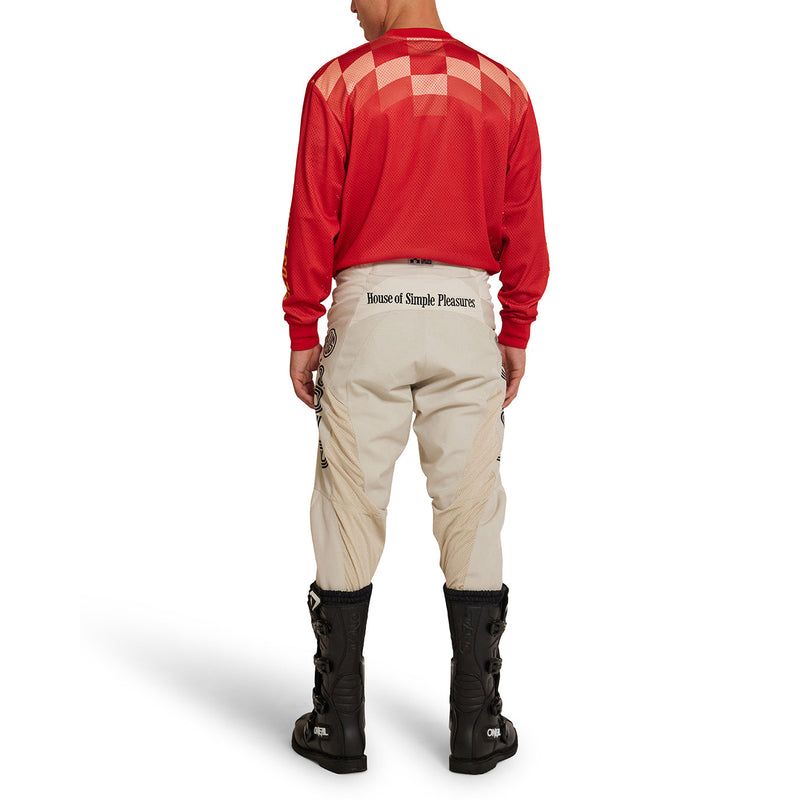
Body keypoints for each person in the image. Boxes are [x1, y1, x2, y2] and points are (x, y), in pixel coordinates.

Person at [281, 0, 549, 774]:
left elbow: (313, 216)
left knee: (348, 504)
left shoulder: (338, 84)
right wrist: (516, 327)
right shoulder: (502, 88)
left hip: (369, 311)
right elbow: (524, 223)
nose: (349, 5)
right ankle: (476, 727)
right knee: (472, 508)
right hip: (466, 311)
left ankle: (339, 724)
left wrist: (303, 327)